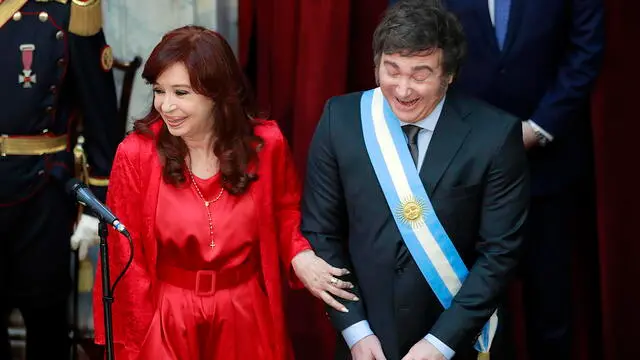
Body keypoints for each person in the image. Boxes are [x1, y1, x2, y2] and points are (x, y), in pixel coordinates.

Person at [92, 25, 351, 360]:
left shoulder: (266, 145)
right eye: (159, 91)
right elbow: (121, 253)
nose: (166, 106)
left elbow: (285, 212)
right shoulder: (136, 153)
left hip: (244, 311)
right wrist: (133, 338)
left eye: (181, 93)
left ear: (217, 93)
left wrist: (299, 254)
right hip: (167, 314)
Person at [300, 1, 530, 359]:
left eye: (420, 75)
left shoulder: (495, 136)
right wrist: (356, 331)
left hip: (460, 341)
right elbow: (321, 231)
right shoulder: (340, 120)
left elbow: (499, 254)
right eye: (392, 70)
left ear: (449, 74)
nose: (403, 89)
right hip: (366, 341)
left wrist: (440, 344)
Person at [440, 0, 604, 357]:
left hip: (547, 167)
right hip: (462, 168)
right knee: (471, 317)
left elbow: (586, 47)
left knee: (551, 312)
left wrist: (540, 128)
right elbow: (411, 38)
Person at [0, 0, 120, 359]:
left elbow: (100, 111)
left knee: (46, 318)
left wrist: (96, 203)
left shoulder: (68, 9)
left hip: (41, 192)